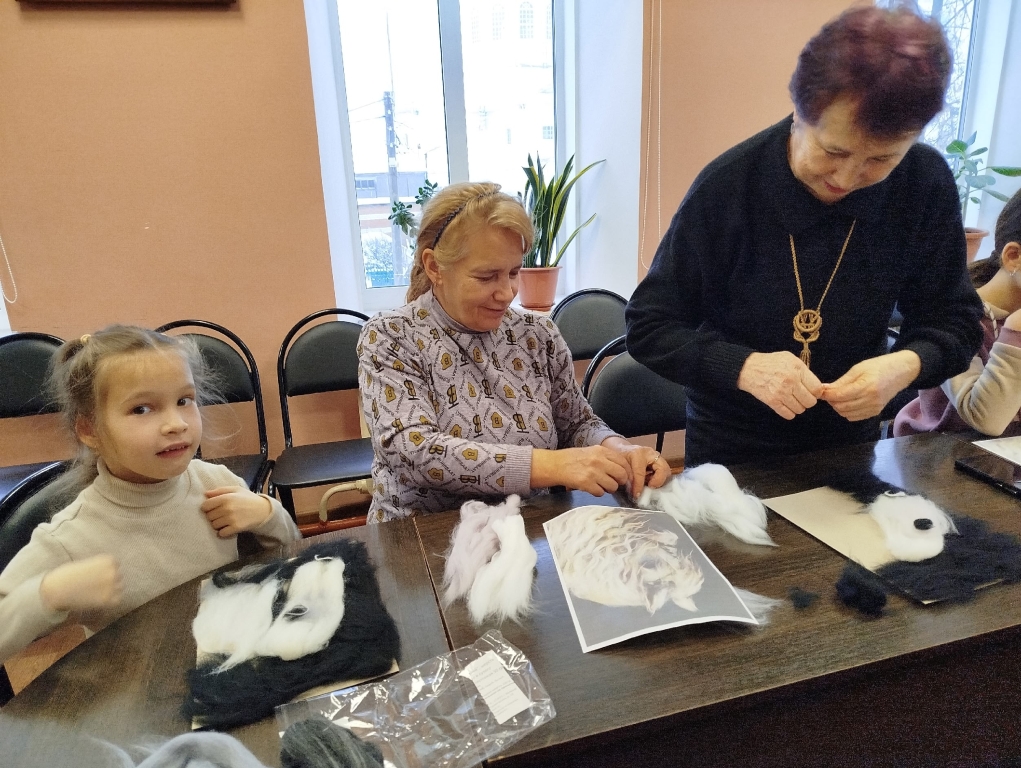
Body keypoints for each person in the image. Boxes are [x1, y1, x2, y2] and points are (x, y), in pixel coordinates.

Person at [625, 5, 983, 467]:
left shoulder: (923, 183)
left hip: (851, 446)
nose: (848, 177)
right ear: (800, 111)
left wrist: (903, 365)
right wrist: (744, 367)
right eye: (834, 150)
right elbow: (650, 326)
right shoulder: (729, 187)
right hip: (731, 450)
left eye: (881, 159)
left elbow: (955, 320)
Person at [357, 181, 671, 522]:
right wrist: (551, 465)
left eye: (514, 272)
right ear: (434, 267)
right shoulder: (390, 337)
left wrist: (619, 449)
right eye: (487, 277)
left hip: (525, 527)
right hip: (419, 532)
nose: (507, 293)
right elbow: (414, 451)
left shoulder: (538, 335)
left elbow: (576, 423)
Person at [0, 325, 300, 665]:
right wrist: (48, 594)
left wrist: (268, 514)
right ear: (89, 429)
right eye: (142, 409)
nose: (176, 424)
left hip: (234, 665)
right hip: (145, 687)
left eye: (184, 401)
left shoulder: (215, 482)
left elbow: (290, 558)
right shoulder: (69, 539)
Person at [895, 190, 1021, 436]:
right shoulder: (953, 319)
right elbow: (987, 420)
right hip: (940, 453)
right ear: (1014, 257)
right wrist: (1016, 331)